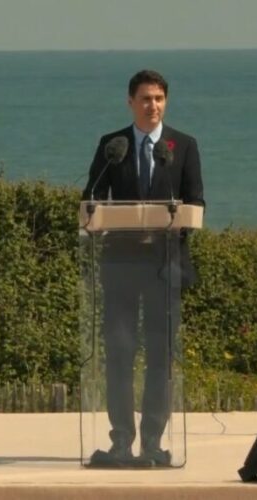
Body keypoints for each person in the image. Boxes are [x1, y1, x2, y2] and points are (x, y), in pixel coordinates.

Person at [82, 70, 205, 465]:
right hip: (119, 266)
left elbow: (196, 205)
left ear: (165, 102)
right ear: (130, 102)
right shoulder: (111, 146)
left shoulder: (182, 146)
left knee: (159, 355)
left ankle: (153, 443)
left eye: (159, 99)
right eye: (145, 99)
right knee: (119, 352)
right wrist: (96, 215)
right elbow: (91, 201)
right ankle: (121, 441)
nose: (153, 105)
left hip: (163, 268)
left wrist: (172, 232)